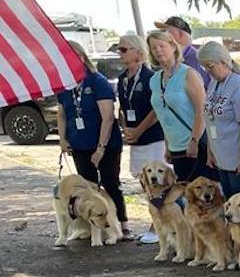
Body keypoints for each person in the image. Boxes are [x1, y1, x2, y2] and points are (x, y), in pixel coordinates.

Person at [57, 41, 130, 239]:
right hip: (80, 144)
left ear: (82, 57)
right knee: (87, 188)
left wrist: (100, 148)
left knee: (110, 183)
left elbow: (107, 117)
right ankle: (90, 228)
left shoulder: (97, 81)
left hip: (105, 144)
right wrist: (62, 138)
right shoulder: (65, 85)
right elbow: (62, 113)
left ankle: (121, 224)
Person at [115, 33, 165, 244]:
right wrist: (126, 128)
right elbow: (123, 109)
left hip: (153, 137)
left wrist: (140, 129)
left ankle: (158, 226)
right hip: (135, 138)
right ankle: (156, 221)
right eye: (119, 49)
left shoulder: (150, 77)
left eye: (124, 49)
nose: (120, 53)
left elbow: (156, 110)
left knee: (157, 183)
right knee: (144, 182)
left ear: (138, 51)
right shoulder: (122, 79)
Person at [147, 29, 214, 183]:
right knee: (186, 193)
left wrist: (194, 140)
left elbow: (201, 110)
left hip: (194, 143)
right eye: (154, 47)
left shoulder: (187, 74)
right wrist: (167, 145)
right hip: (175, 145)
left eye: (161, 46)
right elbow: (163, 115)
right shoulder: (155, 80)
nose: (158, 50)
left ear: (172, 46)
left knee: (202, 192)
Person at [198, 42, 240, 198]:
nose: (208, 71)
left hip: (237, 161)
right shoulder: (214, 84)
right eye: (204, 67)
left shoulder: (239, 84)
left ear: (224, 61)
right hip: (221, 159)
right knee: (230, 206)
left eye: (210, 66)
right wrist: (210, 151)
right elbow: (210, 119)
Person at [154, 16, 210, 87]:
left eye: (166, 31)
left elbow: (205, 89)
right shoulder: (173, 58)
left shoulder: (196, 58)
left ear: (181, 34)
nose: (161, 35)